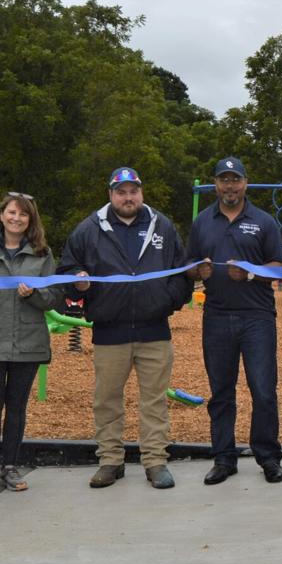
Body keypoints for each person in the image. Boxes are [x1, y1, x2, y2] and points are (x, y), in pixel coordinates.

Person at [58, 167, 192, 490]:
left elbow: (182, 271)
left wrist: (167, 300)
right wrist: (78, 283)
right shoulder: (90, 229)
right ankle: (110, 461)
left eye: (133, 191)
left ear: (141, 193)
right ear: (111, 194)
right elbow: (67, 269)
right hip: (109, 330)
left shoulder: (162, 226)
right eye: (121, 192)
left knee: (154, 400)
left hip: (154, 330)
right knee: (107, 398)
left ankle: (155, 462)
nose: (128, 197)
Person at [186, 157, 282, 485]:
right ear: (215, 184)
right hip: (216, 315)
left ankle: (268, 457)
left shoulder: (263, 221)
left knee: (263, 390)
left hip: (257, 317)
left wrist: (250, 273)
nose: (229, 186)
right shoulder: (202, 222)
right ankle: (224, 457)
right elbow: (187, 264)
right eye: (223, 180)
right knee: (221, 392)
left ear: (245, 182)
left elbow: (279, 267)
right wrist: (196, 271)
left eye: (235, 180)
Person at [0, 192, 63, 497]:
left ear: (31, 220)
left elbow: (53, 299)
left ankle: (11, 467)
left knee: (16, 408)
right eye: (11, 213)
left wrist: (33, 294)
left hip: (27, 342)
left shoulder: (43, 254)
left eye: (23, 214)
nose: (16, 218)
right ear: (1, 215)